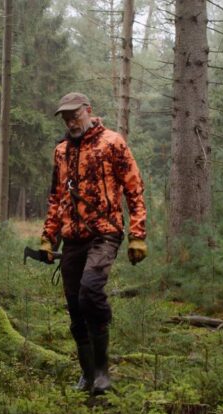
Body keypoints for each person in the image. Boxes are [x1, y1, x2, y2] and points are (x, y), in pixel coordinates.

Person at [39, 92, 147, 395]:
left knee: (90, 292)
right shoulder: (61, 151)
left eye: (75, 115)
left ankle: (102, 372)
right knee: (74, 307)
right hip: (72, 238)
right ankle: (87, 375)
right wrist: (49, 238)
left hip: (105, 233)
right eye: (65, 117)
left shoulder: (112, 143)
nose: (71, 121)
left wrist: (138, 235)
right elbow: (55, 197)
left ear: (89, 111)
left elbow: (134, 190)